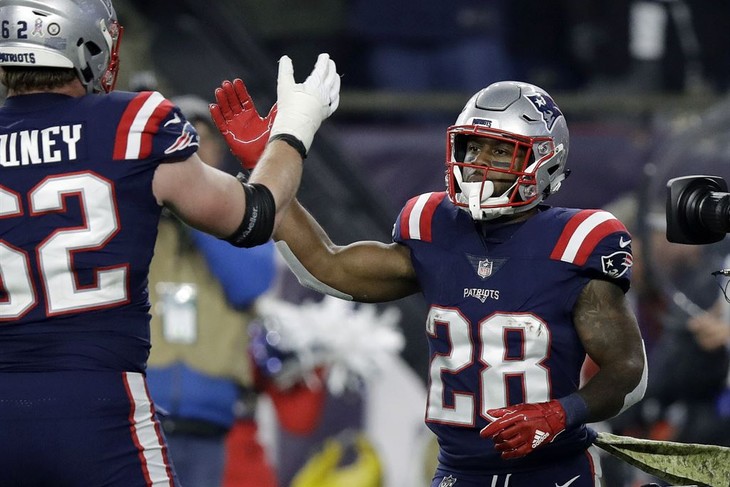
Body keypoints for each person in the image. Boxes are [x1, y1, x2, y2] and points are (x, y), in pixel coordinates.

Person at [211, 78, 648, 486]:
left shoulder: (577, 242)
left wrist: (560, 413)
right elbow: (328, 265)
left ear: (545, 160)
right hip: (456, 471)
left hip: (552, 472)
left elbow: (627, 371)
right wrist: (265, 169)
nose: (478, 165)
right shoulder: (433, 225)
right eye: (473, 148)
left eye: (501, 152)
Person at [0, 0, 340, 485]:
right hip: (101, 407)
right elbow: (257, 216)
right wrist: (292, 131)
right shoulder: (130, 123)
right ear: (86, 45)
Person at [144, 94, 278, 487]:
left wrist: (197, 204)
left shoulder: (243, 213)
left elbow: (250, 283)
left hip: (209, 420)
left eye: (198, 144)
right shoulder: (135, 213)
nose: (189, 156)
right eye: (178, 145)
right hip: (138, 415)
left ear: (218, 151)